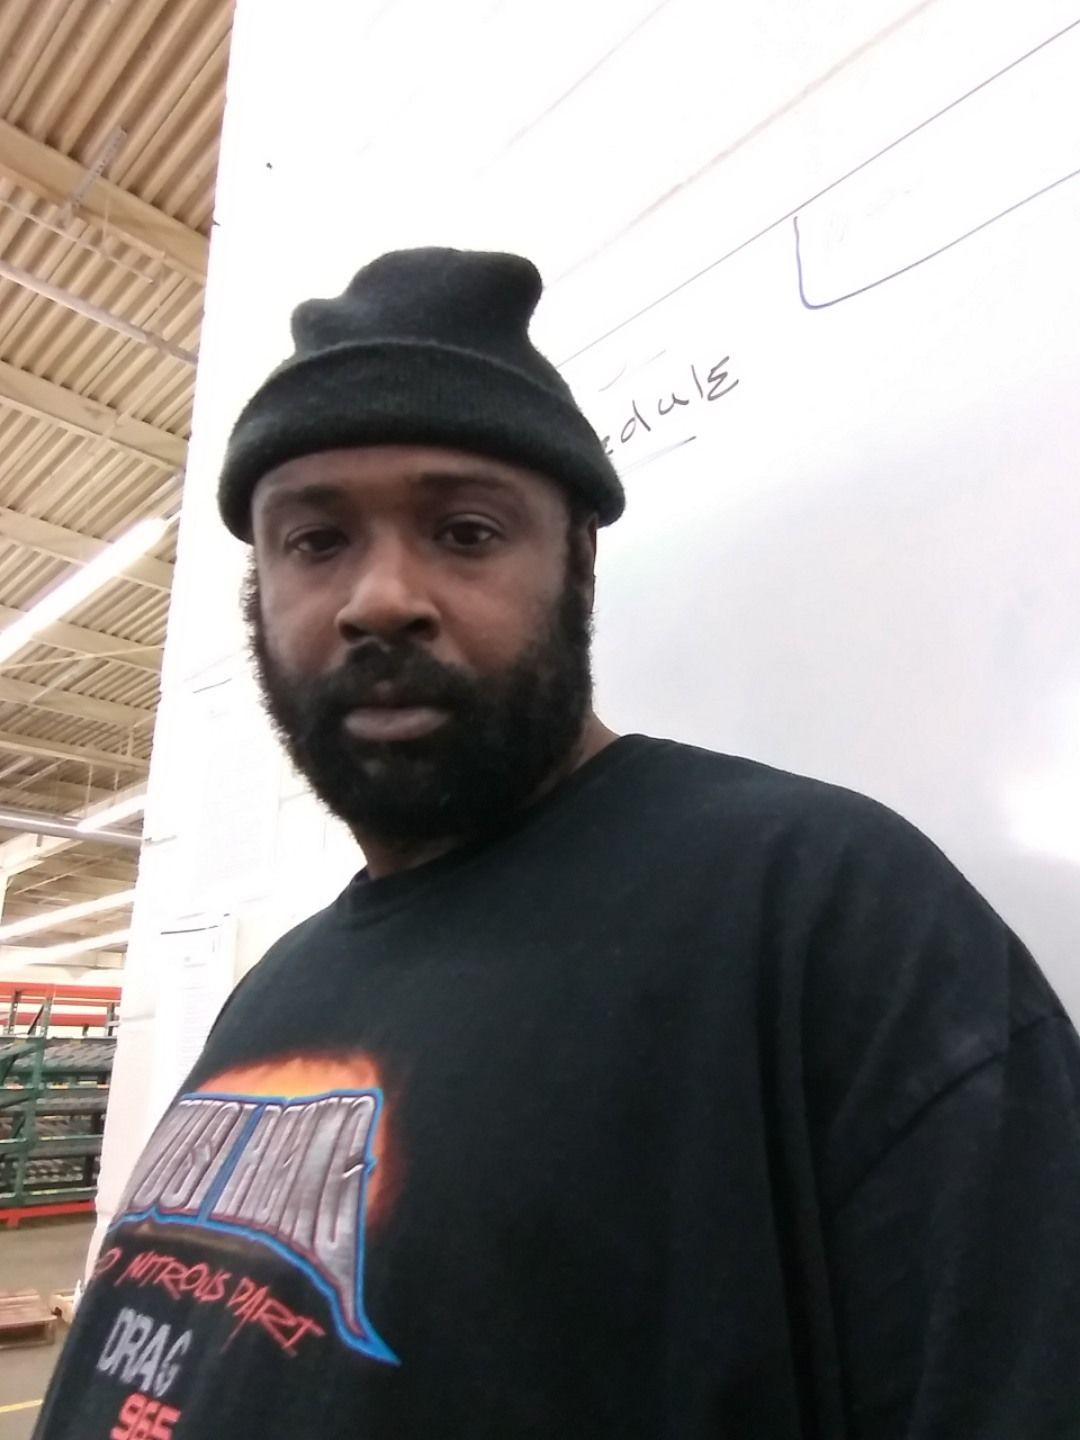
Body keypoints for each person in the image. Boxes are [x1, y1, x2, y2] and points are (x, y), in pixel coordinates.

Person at [36, 248, 1080, 1440]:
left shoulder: (820, 916)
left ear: (578, 561)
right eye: (316, 540)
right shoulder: (277, 988)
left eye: (466, 530)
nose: (380, 597)